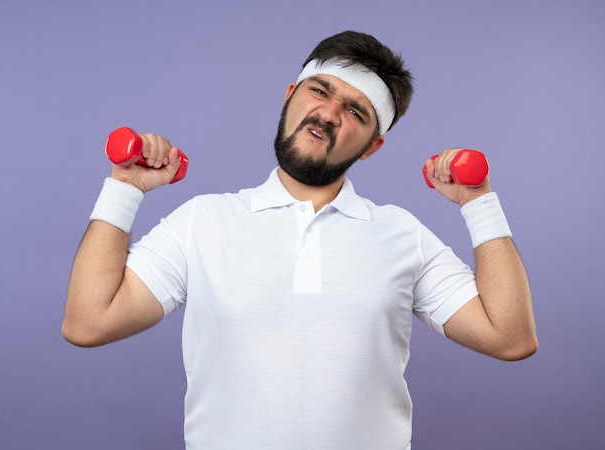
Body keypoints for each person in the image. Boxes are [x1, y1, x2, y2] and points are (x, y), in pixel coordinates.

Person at [63, 30, 538, 449]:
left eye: (355, 110)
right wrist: (123, 190)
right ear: (291, 95)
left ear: (373, 145)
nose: (329, 113)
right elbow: (88, 323)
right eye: (320, 91)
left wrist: (479, 201)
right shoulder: (203, 222)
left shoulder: (401, 234)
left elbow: (510, 337)